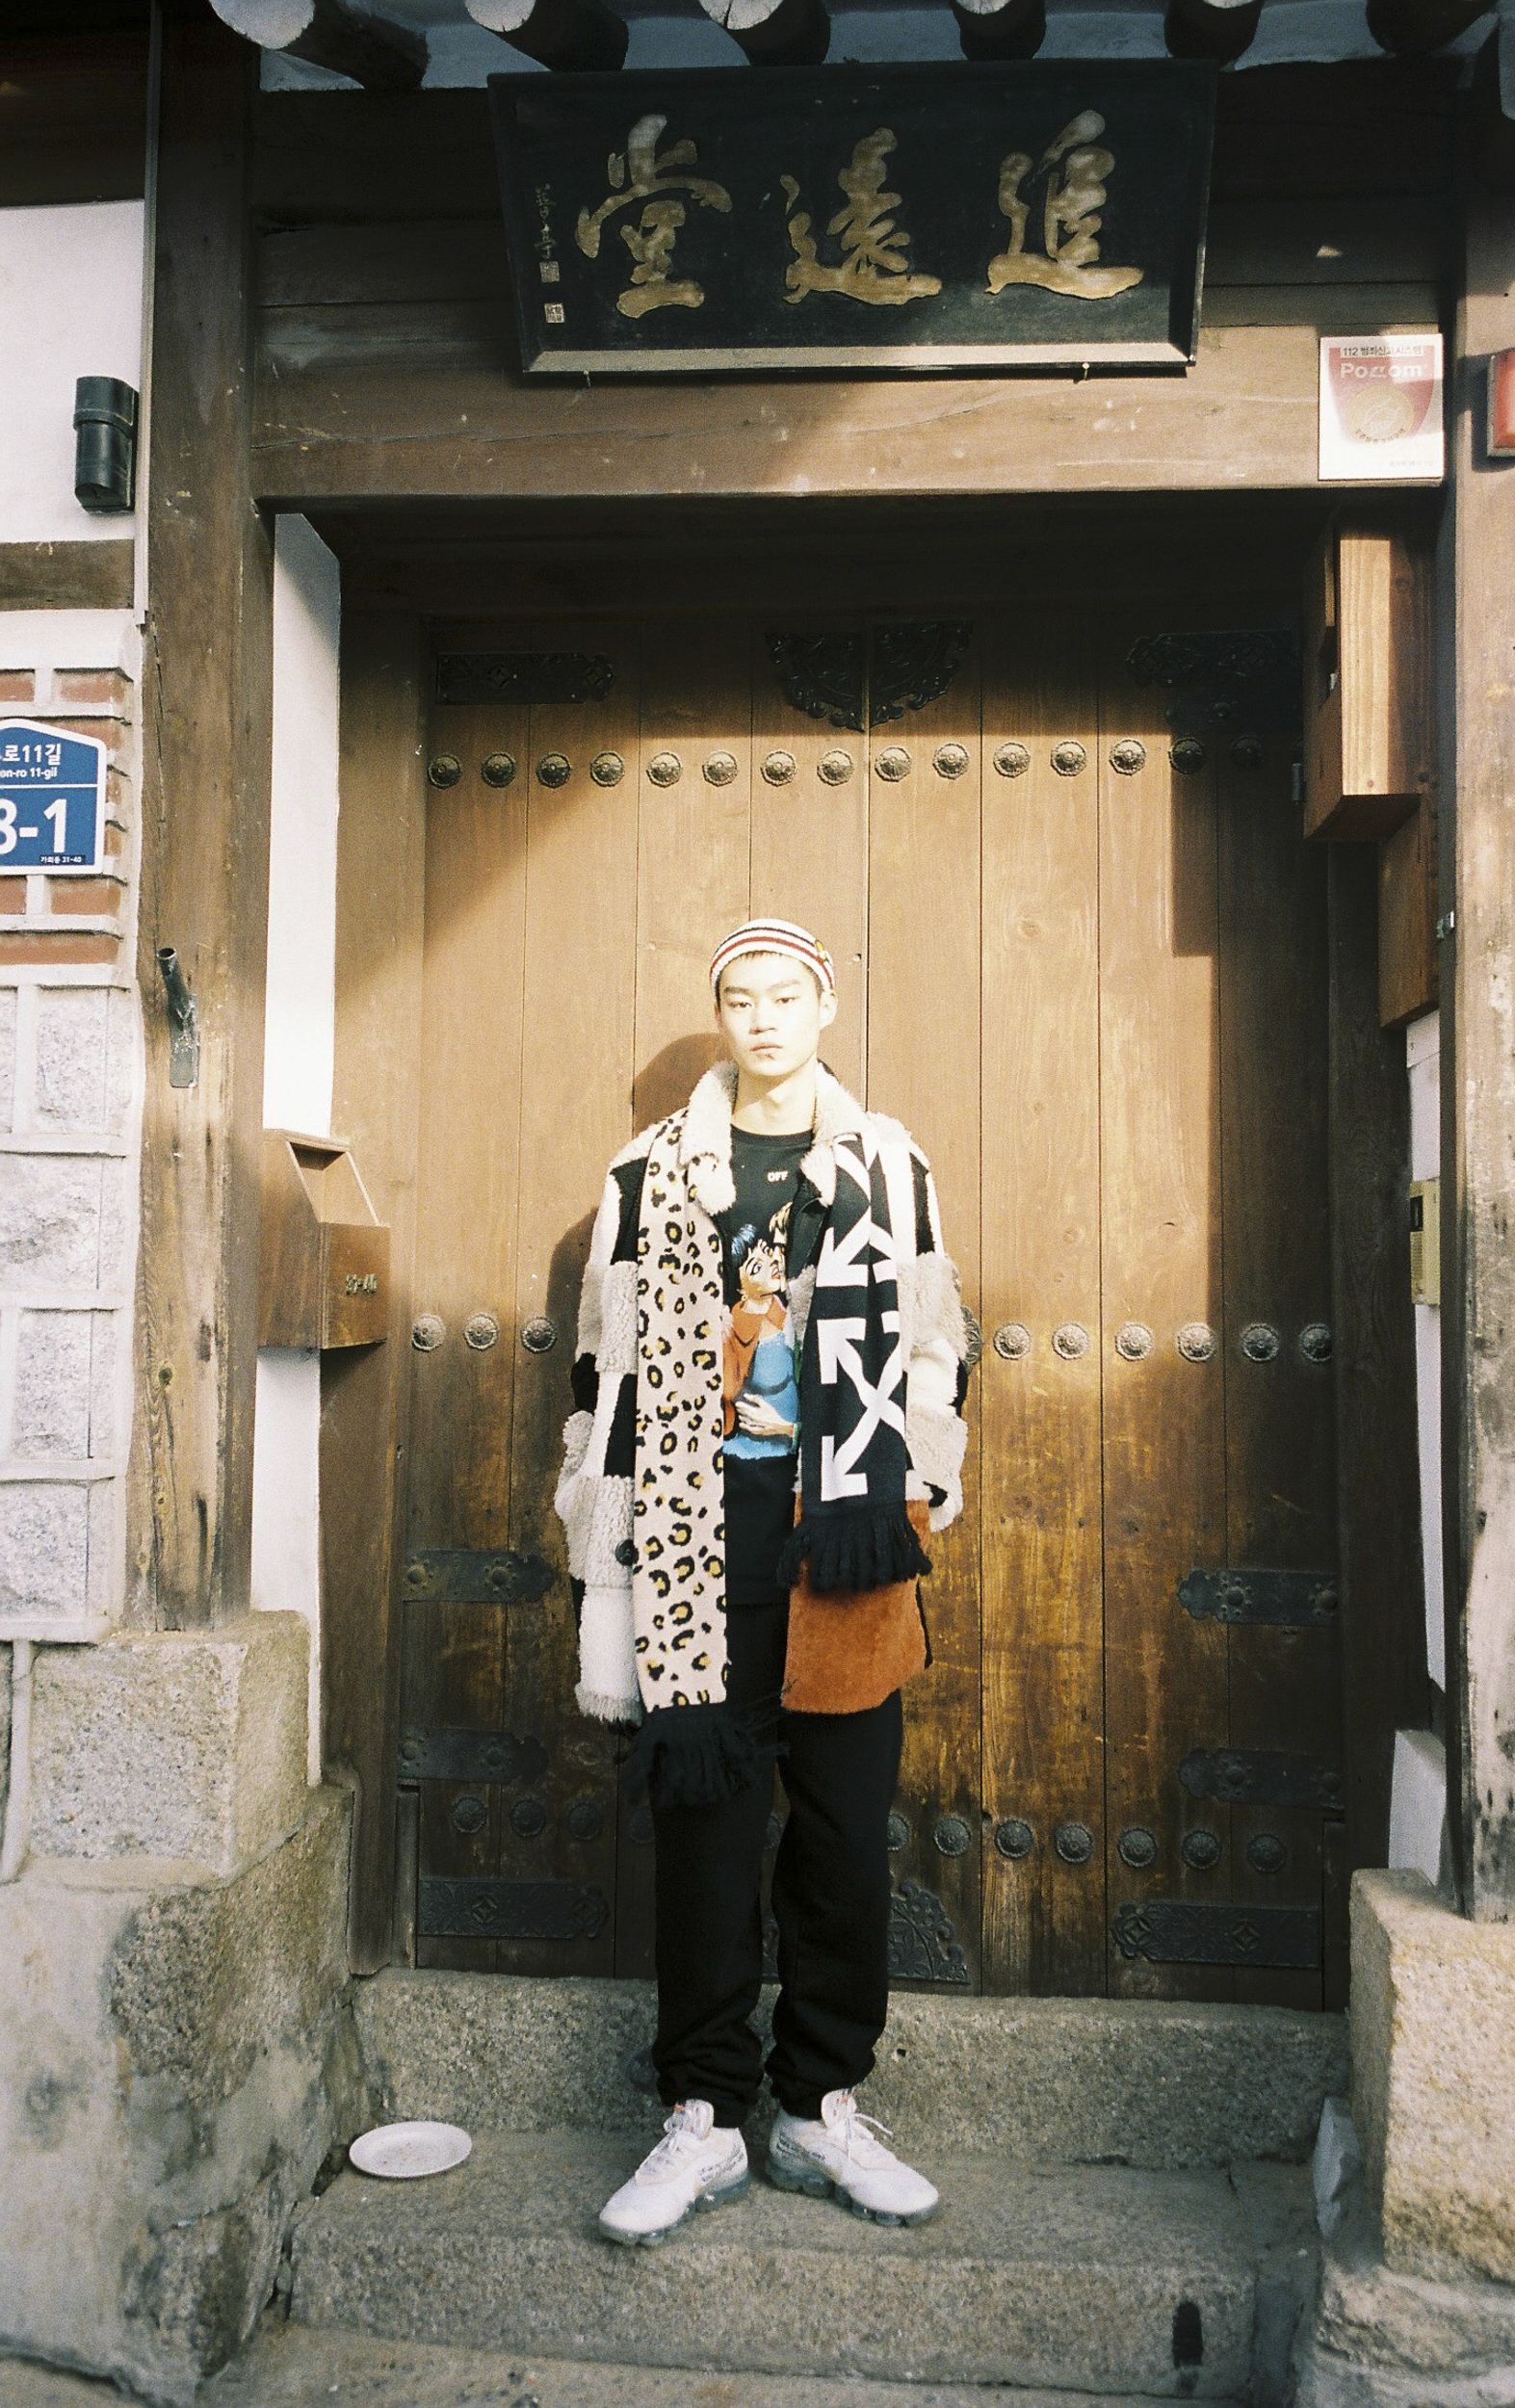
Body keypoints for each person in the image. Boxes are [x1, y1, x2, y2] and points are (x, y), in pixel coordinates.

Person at [555, 916, 970, 2246]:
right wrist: (606, 1517)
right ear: (722, 1013)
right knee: (705, 1827)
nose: (765, 1016)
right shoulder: (647, 1170)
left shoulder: (887, 1162)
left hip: (846, 1527)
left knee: (842, 1833)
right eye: (742, 996)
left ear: (824, 1006)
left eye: (786, 994)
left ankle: (819, 2106)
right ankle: (703, 2115)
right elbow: (602, 1361)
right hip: (696, 1526)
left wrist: (914, 1491)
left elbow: (935, 1345)